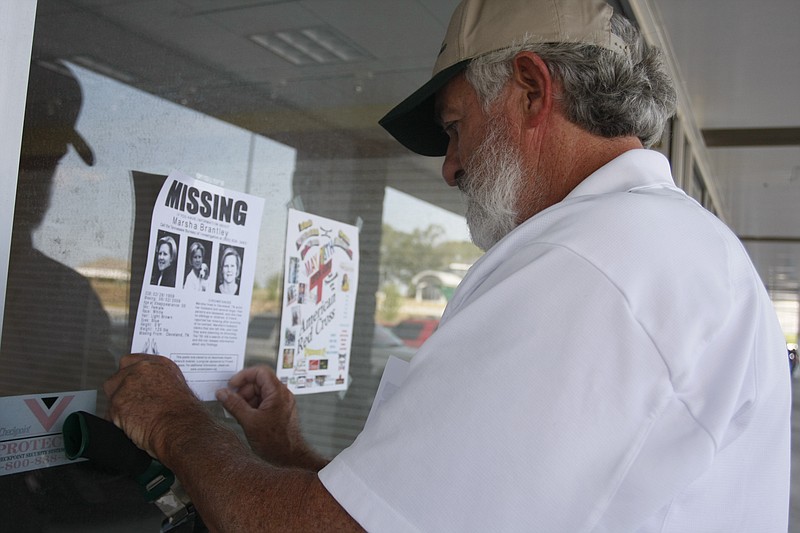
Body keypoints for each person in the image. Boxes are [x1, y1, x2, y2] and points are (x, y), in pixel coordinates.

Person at [104, 0, 791, 531]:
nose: (451, 166)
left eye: (457, 126)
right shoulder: (651, 246)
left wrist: (175, 423)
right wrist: (287, 454)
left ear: (529, 87)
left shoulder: (594, 265)